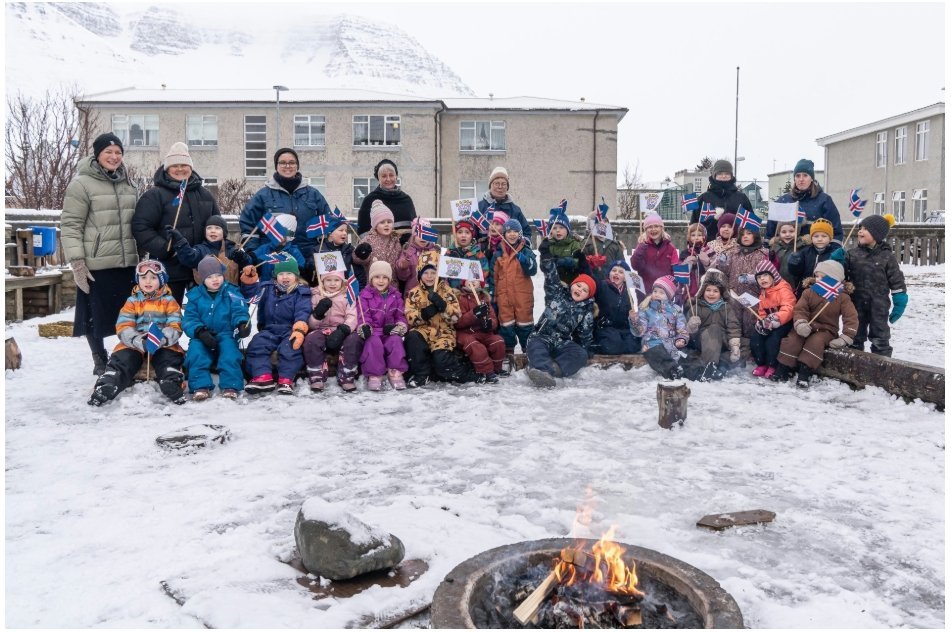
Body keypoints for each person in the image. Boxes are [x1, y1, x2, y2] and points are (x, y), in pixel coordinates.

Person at [62, 132, 139, 375]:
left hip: (126, 260)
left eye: (118, 153)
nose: (114, 157)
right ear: (97, 155)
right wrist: (77, 263)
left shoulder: (128, 184)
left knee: (126, 315)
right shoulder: (81, 184)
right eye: (108, 152)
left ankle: (125, 357)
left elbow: (135, 222)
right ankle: (99, 359)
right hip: (96, 262)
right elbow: (71, 224)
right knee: (94, 316)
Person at [87, 259, 185, 406]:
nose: (148, 281)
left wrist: (162, 339)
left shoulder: (169, 301)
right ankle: (108, 384)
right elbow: (124, 325)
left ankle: (171, 383)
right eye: (143, 277)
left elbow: (175, 324)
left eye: (153, 277)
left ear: (162, 280)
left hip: (162, 342)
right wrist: (137, 340)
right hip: (135, 342)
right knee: (123, 358)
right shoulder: (132, 301)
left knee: (168, 359)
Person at [132, 142, 219, 304]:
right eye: (175, 165)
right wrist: (167, 249)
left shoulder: (205, 195)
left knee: (205, 317)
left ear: (191, 167)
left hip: (201, 268)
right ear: (167, 169)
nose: (180, 169)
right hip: (168, 269)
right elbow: (141, 228)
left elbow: (217, 227)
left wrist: (204, 250)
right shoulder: (154, 196)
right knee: (167, 319)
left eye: (184, 165)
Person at [239, 148, 332, 280]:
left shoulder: (313, 194)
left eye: (291, 162)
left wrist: (316, 254)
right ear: (276, 166)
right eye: (282, 162)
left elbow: (328, 224)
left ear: (297, 166)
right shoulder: (263, 195)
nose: (287, 166)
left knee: (306, 297)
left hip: (307, 260)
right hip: (274, 260)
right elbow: (248, 224)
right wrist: (256, 254)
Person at [774, 260, 858, 388]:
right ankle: (784, 368)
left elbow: (851, 318)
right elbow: (800, 309)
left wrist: (846, 337)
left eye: (823, 277)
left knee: (815, 343)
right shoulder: (809, 292)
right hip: (806, 325)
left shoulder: (842, 297)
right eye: (817, 276)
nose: (818, 279)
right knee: (793, 340)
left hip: (826, 330)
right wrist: (801, 323)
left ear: (834, 279)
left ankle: (805, 372)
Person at [524, 247, 597, 388]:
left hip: (561, 341)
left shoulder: (586, 311)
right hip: (541, 335)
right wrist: (546, 259)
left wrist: (585, 349)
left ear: (588, 296)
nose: (580, 290)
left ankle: (551, 370)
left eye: (584, 290)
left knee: (581, 354)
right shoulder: (557, 293)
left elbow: (585, 334)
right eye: (578, 286)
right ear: (572, 285)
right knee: (536, 348)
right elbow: (551, 276)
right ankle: (541, 369)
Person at [181, 256, 251, 400]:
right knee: (196, 353)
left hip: (226, 333)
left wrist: (242, 323)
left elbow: (239, 309)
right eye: (210, 276)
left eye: (218, 275)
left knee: (230, 354)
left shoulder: (232, 292)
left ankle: (230, 385)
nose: (215, 279)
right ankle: (200, 386)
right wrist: (200, 331)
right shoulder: (195, 296)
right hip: (202, 336)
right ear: (202, 279)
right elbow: (189, 319)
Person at [239, 258, 312, 395]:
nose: (285, 277)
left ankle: (286, 379)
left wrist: (299, 330)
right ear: (276, 276)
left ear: (296, 276)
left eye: (289, 274)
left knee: (290, 349)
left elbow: (303, 311)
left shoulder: (301, 292)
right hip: (269, 329)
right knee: (257, 345)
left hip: (290, 330)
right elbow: (251, 293)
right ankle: (262, 376)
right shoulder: (267, 288)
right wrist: (249, 282)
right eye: (281, 274)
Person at [838, 214, 907, 357]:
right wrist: (838, 260)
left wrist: (900, 299)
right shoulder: (852, 254)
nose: (860, 232)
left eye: (865, 229)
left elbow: (896, 280)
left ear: (877, 234)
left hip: (879, 306)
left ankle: (882, 363)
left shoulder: (887, 257)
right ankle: (853, 362)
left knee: (880, 336)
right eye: (860, 228)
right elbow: (842, 276)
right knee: (855, 335)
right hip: (856, 304)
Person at [403, 251, 470, 387]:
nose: (429, 277)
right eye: (426, 273)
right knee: (412, 338)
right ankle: (422, 374)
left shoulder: (447, 291)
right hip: (422, 330)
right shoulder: (414, 293)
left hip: (443, 332)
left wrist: (443, 306)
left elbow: (456, 317)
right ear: (420, 274)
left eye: (433, 273)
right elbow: (410, 316)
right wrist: (424, 314)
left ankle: (465, 373)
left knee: (442, 362)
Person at [303, 269, 361, 393]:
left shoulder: (347, 296)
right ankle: (316, 374)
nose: (332, 283)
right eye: (328, 280)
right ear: (322, 281)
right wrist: (318, 314)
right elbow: (312, 325)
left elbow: (352, 316)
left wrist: (344, 330)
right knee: (312, 339)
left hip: (341, 329)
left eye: (336, 280)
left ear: (342, 281)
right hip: (321, 329)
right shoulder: (316, 296)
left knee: (354, 340)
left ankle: (347, 375)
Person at [356, 261, 409, 391]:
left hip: (388, 331)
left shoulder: (395, 295)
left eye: (385, 277)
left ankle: (395, 372)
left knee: (396, 342)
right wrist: (365, 326)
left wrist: (399, 326)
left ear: (390, 279)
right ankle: (375, 375)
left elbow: (400, 315)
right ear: (371, 279)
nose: (381, 281)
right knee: (373, 343)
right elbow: (363, 314)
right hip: (373, 331)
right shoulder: (365, 295)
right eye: (377, 277)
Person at [493, 219, 537, 367]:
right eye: (509, 231)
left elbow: (533, 269)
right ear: (504, 233)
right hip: (504, 295)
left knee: (525, 324)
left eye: (515, 231)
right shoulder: (499, 252)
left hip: (522, 295)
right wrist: (492, 292)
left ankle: (528, 351)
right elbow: (494, 274)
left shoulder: (525, 249)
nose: (512, 234)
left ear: (520, 233)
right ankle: (508, 353)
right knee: (506, 324)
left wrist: (525, 260)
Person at [767, 158, 842, 241]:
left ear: (812, 178)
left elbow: (836, 231)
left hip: (815, 251)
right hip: (786, 252)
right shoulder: (783, 201)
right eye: (798, 176)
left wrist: (832, 251)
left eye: (805, 175)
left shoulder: (824, 200)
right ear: (794, 179)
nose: (801, 179)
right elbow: (770, 231)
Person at [685, 269, 740, 381]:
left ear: (721, 293)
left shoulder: (726, 308)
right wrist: (691, 326)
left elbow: (733, 327)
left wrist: (735, 346)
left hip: (723, 342)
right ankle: (710, 365)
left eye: (715, 291)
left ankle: (720, 366)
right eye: (708, 290)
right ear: (703, 292)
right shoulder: (696, 308)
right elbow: (686, 332)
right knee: (714, 328)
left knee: (747, 344)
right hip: (701, 342)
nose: (711, 293)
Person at [635, 276, 690, 380]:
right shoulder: (645, 309)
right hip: (651, 344)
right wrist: (634, 321)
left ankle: (696, 372)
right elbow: (639, 332)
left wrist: (681, 339)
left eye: (661, 292)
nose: (657, 294)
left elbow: (682, 329)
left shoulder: (676, 310)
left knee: (685, 355)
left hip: (671, 343)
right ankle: (673, 372)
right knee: (658, 354)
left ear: (669, 295)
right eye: (655, 291)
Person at [168, 214, 247, 285]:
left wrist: (243, 257)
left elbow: (248, 265)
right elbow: (189, 257)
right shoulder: (201, 249)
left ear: (224, 232)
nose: (213, 231)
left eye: (217, 228)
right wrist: (180, 242)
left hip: (230, 296)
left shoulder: (232, 249)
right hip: (207, 297)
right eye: (209, 228)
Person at [749, 261, 796, 379]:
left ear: (773, 275)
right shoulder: (763, 293)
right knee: (756, 338)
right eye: (759, 277)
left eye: (765, 275)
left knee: (773, 340)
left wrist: (776, 318)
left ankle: (772, 365)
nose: (762, 279)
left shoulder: (783, 289)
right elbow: (761, 312)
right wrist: (761, 322)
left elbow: (789, 308)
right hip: (769, 322)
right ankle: (761, 363)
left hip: (784, 322)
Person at [726, 223, 771, 344]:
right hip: (734, 294)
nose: (745, 237)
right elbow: (724, 272)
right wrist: (722, 262)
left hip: (753, 295)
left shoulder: (763, 254)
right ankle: (735, 346)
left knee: (750, 322)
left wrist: (753, 279)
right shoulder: (732, 253)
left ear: (755, 236)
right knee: (734, 322)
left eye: (749, 233)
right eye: (742, 234)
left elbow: (769, 276)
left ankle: (750, 348)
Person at [455, 279, 507, 382]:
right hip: (465, 333)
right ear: (463, 282)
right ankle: (486, 371)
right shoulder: (459, 298)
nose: (472, 282)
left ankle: (497, 368)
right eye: (469, 280)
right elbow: (458, 322)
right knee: (476, 346)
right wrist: (474, 314)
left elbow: (493, 319)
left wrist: (489, 324)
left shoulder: (484, 299)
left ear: (481, 283)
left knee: (498, 341)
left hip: (483, 332)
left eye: (476, 280)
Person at [691, 160, 754, 241]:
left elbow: (751, 224)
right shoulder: (704, 198)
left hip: (736, 246)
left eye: (727, 173)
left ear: (731, 175)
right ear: (714, 175)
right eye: (720, 173)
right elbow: (694, 224)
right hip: (708, 245)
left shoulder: (741, 198)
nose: (723, 176)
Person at [356, 159, 417, 238]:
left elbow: (415, 227)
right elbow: (363, 232)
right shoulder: (369, 200)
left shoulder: (406, 200)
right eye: (384, 176)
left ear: (396, 176)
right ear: (378, 178)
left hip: (406, 249)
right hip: (379, 249)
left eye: (391, 175)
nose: (388, 179)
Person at [592, 260, 640, 355]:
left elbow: (629, 315)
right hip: (605, 327)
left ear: (626, 278)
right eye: (614, 270)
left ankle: (620, 346)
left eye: (621, 272)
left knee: (634, 344)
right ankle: (596, 345)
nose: (616, 273)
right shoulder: (602, 286)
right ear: (609, 273)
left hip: (622, 328)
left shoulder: (628, 294)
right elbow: (592, 277)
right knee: (613, 345)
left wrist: (632, 317)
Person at [630, 213, 680, 303]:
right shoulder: (642, 246)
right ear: (645, 230)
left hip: (664, 292)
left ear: (661, 228)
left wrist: (675, 289)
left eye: (656, 226)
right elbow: (635, 266)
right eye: (649, 227)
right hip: (645, 292)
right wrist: (639, 250)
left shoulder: (670, 248)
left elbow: (676, 270)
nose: (653, 229)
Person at [352, 200, 403, 286]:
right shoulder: (368, 240)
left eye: (389, 222)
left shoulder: (396, 241)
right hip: (373, 286)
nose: (386, 225)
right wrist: (362, 254)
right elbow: (356, 259)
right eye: (382, 222)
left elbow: (398, 264)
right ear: (375, 225)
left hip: (392, 286)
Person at [786, 218, 839, 295]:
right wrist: (793, 264)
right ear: (811, 238)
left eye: (824, 236)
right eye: (816, 236)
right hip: (805, 291)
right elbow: (796, 273)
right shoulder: (805, 252)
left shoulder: (834, 253)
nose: (820, 239)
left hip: (826, 292)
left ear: (830, 238)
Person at [247, 213, 305, 281]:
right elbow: (251, 259)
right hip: (266, 288)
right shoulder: (265, 248)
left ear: (288, 235)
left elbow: (300, 271)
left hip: (287, 288)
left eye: (279, 233)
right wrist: (243, 257)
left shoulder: (294, 252)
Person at [477, 167, 532, 236]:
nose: (500, 187)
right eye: (496, 183)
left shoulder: (515, 210)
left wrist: (520, 245)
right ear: (490, 186)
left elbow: (526, 232)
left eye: (503, 184)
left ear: (507, 187)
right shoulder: (479, 207)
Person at [395, 217, 440, 295]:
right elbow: (402, 277)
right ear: (413, 235)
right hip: (413, 295)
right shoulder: (407, 252)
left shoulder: (435, 251)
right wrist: (403, 268)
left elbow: (441, 275)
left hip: (432, 295)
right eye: (419, 234)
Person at [542, 213, 587, 285]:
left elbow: (578, 261)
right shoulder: (549, 245)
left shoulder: (574, 243)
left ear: (567, 229)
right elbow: (544, 265)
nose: (558, 230)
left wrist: (564, 261)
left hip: (571, 281)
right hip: (553, 283)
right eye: (554, 228)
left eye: (561, 227)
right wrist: (544, 254)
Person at [446, 219, 491, 292]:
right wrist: (448, 289)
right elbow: (443, 276)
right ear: (455, 234)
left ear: (471, 235)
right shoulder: (449, 253)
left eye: (467, 232)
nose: (463, 235)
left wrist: (479, 283)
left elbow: (485, 272)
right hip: (454, 295)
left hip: (472, 295)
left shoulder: (478, 254)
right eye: (460, 232)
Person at [582, 213, 627, 283]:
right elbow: (581, 266)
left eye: (604, 220)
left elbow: (622, 266)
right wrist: (591, 262)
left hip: (611, 285)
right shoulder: (585, 244)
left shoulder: (614, 245)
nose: (602, 223)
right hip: (591, 283)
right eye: (597, 221)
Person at [768, 221, 801, 289]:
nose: (787, 234)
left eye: (791, 231)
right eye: (784, 232)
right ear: (779, 233)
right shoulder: (775, 246)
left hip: (794, 285)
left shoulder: (801, 247)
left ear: (797, 232)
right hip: (777, 285)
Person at [679, 222, 707, 300]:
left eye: (699, 235)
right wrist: (688, 262)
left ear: (704, 237)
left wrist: (707, 263)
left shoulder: (707, 251)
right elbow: (680, 271)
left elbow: (712, 268)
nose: (696, 237)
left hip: (704, 286)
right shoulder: (685, 253)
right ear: (689, 237)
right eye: (693, 235)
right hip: (690, 287)